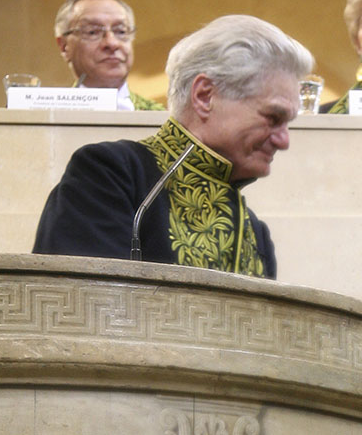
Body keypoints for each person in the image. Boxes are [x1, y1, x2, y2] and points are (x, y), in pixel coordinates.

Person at [34, 15, 314, 279]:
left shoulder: (255, 232)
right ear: (205, 95)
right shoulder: (109, 173)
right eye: (273, 118)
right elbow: (87, 309)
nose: (283, 140)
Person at [54, 0, 165, 111]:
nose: (112, 43)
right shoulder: (48, 114)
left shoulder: (163, 120)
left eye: (121, 31)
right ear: (64, 46)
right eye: (92, 32)